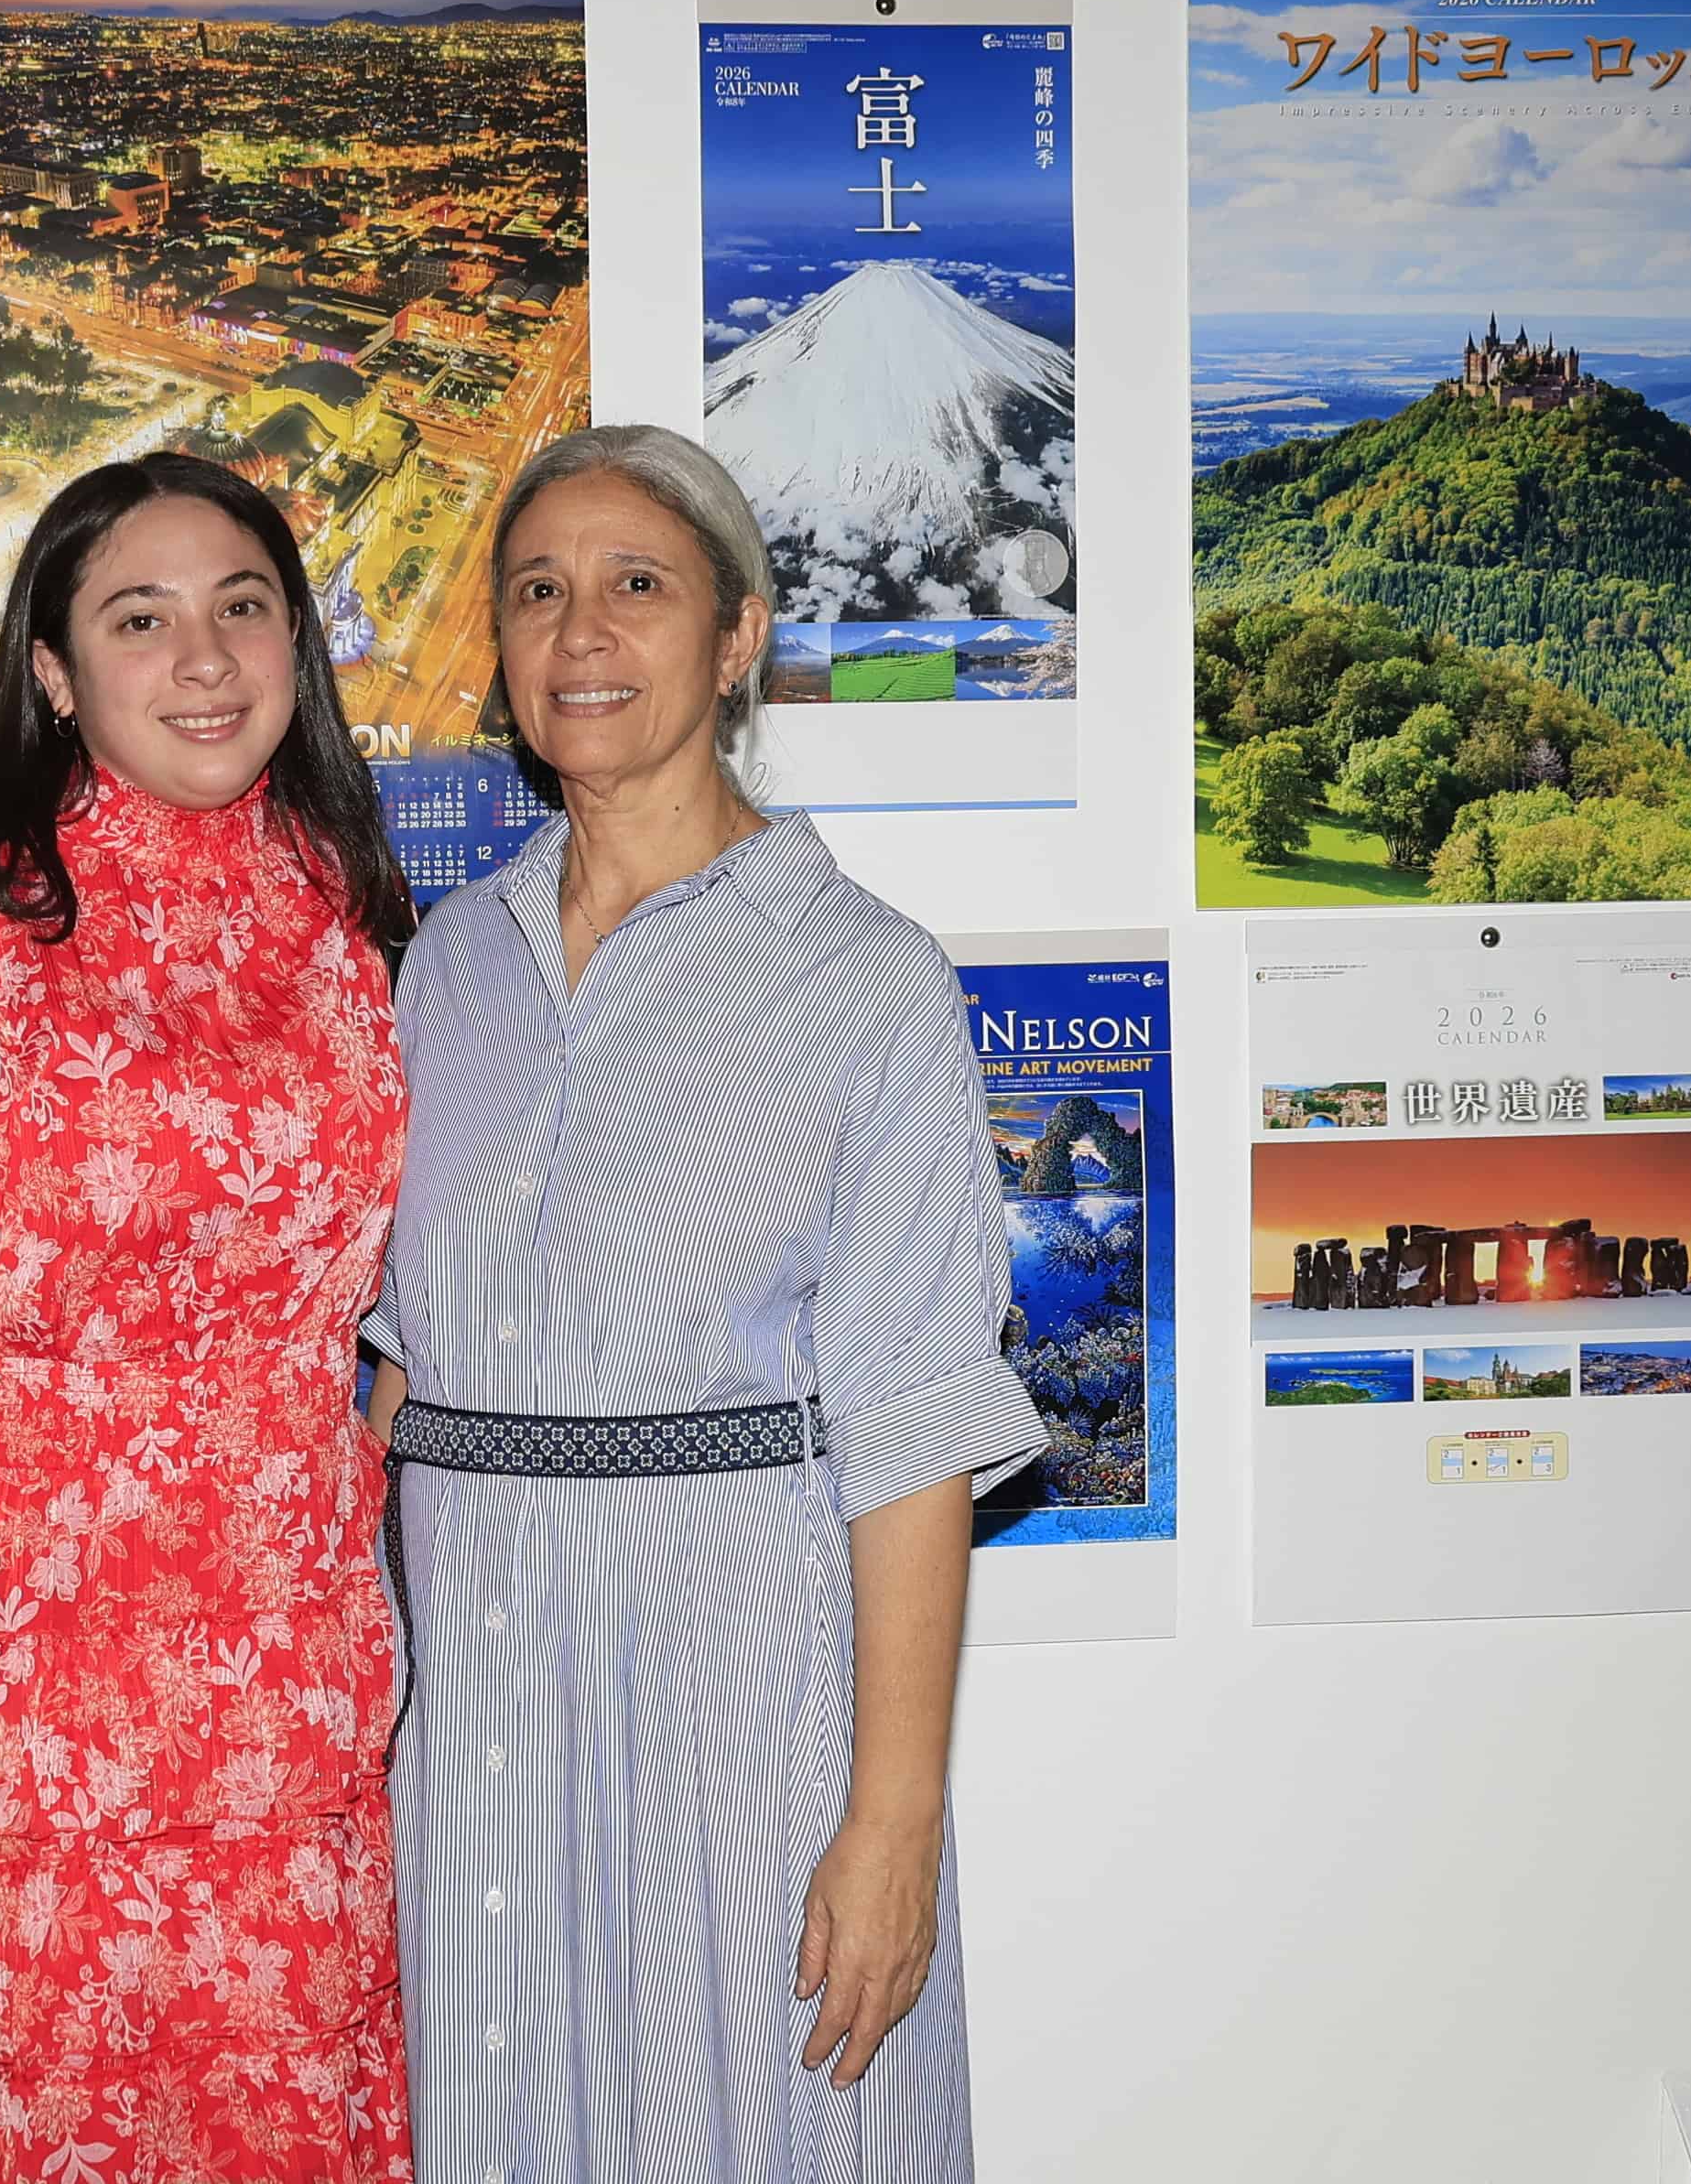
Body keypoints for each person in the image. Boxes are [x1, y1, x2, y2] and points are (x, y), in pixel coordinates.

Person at [0, 453, 419, 2183]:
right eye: (139, 618)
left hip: (285, 1696)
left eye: (240, 608)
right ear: (51, 671)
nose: (201, 659)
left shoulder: (349, 934)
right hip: (18, 1695)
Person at [361, 424, 1046, 2182]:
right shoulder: (444, 972)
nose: (580, 632)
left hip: (736, 1713)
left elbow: (908, 1432)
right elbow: (387, 1382)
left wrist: (890, 1821)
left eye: (635, 586)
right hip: (478, 1722)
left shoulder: (865, 982)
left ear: (734, 637)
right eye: (536, 594)